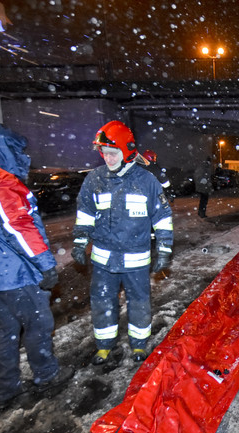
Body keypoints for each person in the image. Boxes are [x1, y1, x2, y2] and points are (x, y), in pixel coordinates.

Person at [0, 121, 73, 411]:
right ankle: (47, 375)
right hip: (14, 271)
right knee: (38, 325)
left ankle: (6, 391)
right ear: (5, 148)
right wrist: (45, 264)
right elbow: (18, 227)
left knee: (2, 331)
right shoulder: (0, 180)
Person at [72, 121, 173, 365]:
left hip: (135, 260)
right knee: (102, 302)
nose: (107, 158)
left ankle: (139, 345)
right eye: (104, 153)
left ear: (127, 151)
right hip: (104, 260)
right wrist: (78, 242)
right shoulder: (94, 180)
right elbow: (85, 213)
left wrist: (165, 249)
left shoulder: (147, 181)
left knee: (139, 303)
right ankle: (104, 347)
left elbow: (162, 217)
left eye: (113, 153)